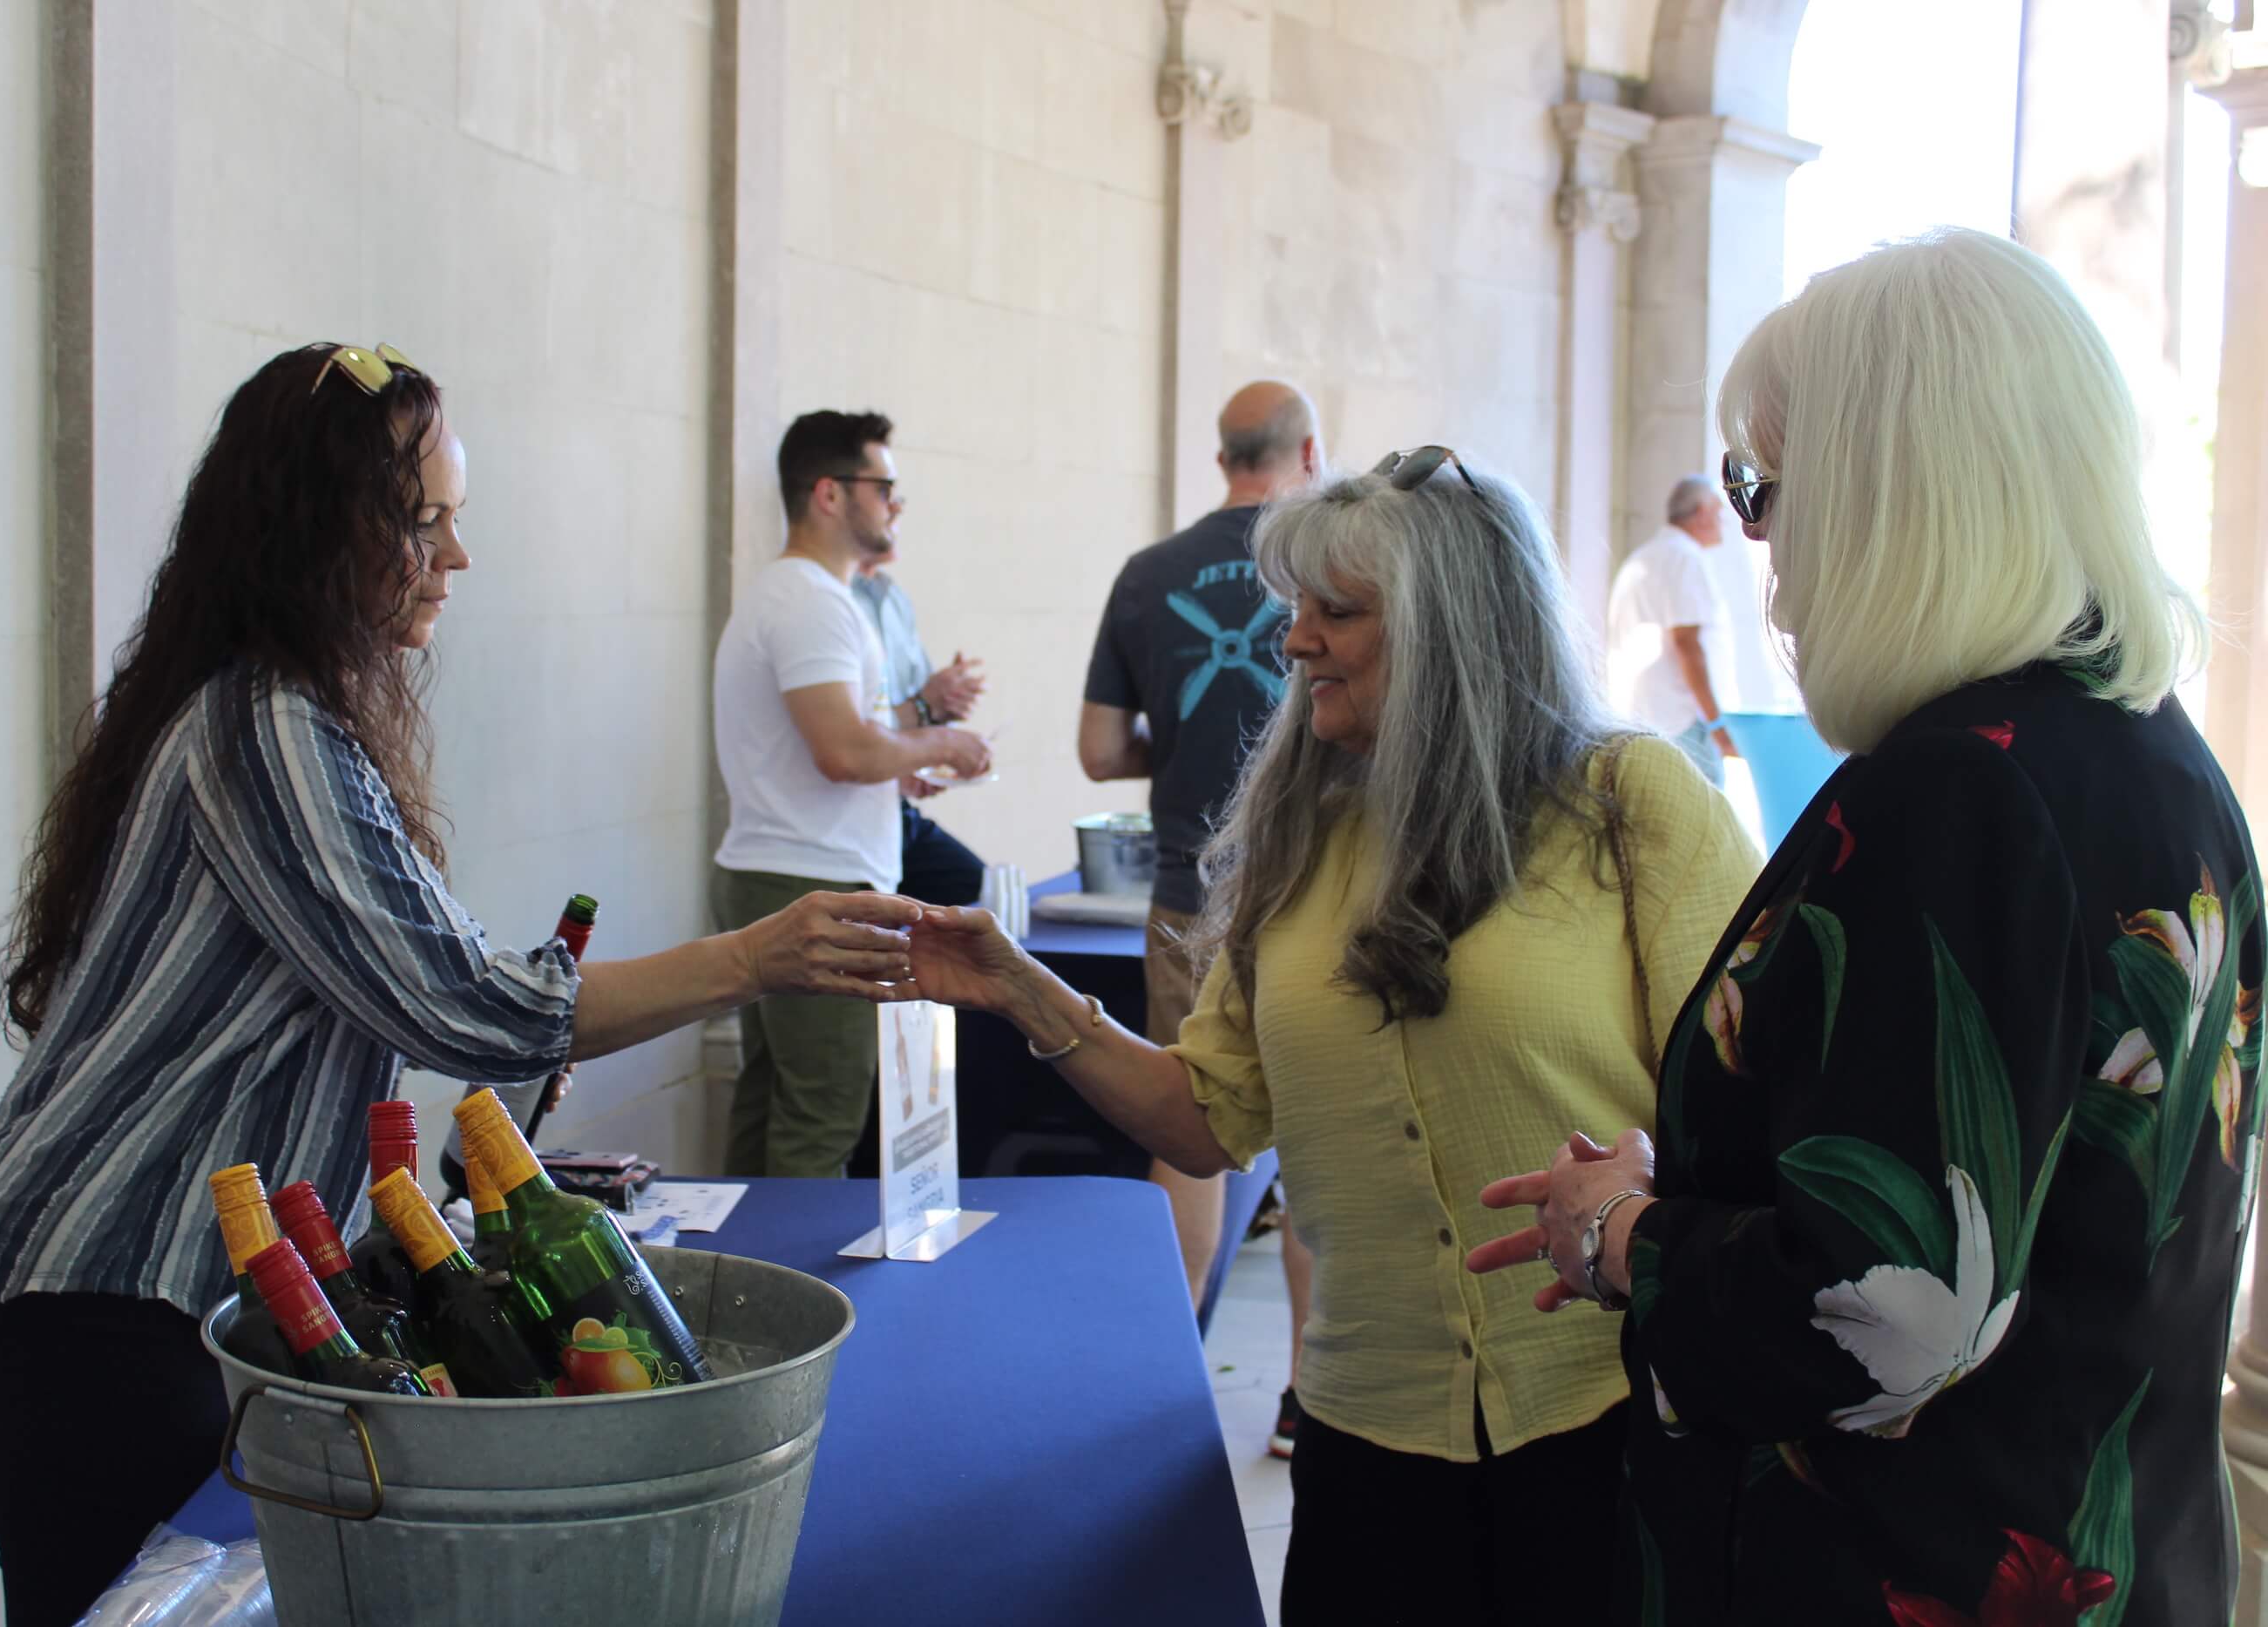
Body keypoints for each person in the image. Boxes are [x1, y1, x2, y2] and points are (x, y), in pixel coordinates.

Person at [0, 345, 926, 1626]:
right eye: (422, 519)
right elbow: (464, 1005)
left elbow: (454, 986)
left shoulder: (289, 711)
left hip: (144, 1278)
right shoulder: (265, 727)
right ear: (319, 529)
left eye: (456, 518)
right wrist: (754, 955)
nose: (456, 557)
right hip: (98, 1279)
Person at [1470, 227, 2250, 1625]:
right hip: (2118, 1547)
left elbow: (1895, 1306)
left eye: (1766, 491)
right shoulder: (2157, 753)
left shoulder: (1960, 790)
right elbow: (2036, 1192)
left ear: (1893, 491)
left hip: (1900, 1570)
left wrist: (1628, 1234)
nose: (1764, 545)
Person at [911, 445, 1759, 1622]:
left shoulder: (1630, 801)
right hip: (1368, 1435)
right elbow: (1207, 1119)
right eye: (1295, 609)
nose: (1295, 639)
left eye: (1337, 611)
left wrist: (1652, 1184)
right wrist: (1024, 992)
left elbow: (1761, 1101)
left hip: (1610, 1419)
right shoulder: (1298, 843)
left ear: (1455, 628)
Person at [1079, 381, 1318, 1339]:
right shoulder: (1327, 566)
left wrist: (1175, 751)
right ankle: (1311, 1395)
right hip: (1315, 891)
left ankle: (1174, 1360)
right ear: (1309, 455)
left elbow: (1100, 752)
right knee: (1319, 1149)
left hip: (1188, 896)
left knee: (1188, 1133)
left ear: (1222, 457)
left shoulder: (1146, 575)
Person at [712, 410, 991, 1177]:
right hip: (812, 877)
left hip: (783, 866)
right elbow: (842, 750)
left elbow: (844, 734)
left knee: (773, 1096)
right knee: (821, 1113)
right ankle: (800, 1296)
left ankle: (740, 1283)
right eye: (885, 485)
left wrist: (903, 748)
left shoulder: (804, 594)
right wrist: (946, 742)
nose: (897, 502)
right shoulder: (810, 600)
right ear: (830, 494)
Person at [852, 546, 990, 906]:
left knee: (978, 892)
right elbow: (845, 737)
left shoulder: (891, 594)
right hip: (846, 816)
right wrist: (929, 712)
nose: (895, 510)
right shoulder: (827, 604)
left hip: (894, 806)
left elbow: (918, 704)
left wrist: (946, 703)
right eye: (885, 495)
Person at [1608, 475, 1737, 785]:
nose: (1724, 523)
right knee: (1705, 824)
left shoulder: (1644, 556)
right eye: (1719, 513)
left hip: (1645, 721)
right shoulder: (1685, 558)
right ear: (1703, 512)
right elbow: (1687, 645)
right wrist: (1717, 724)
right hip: (1683, 724)